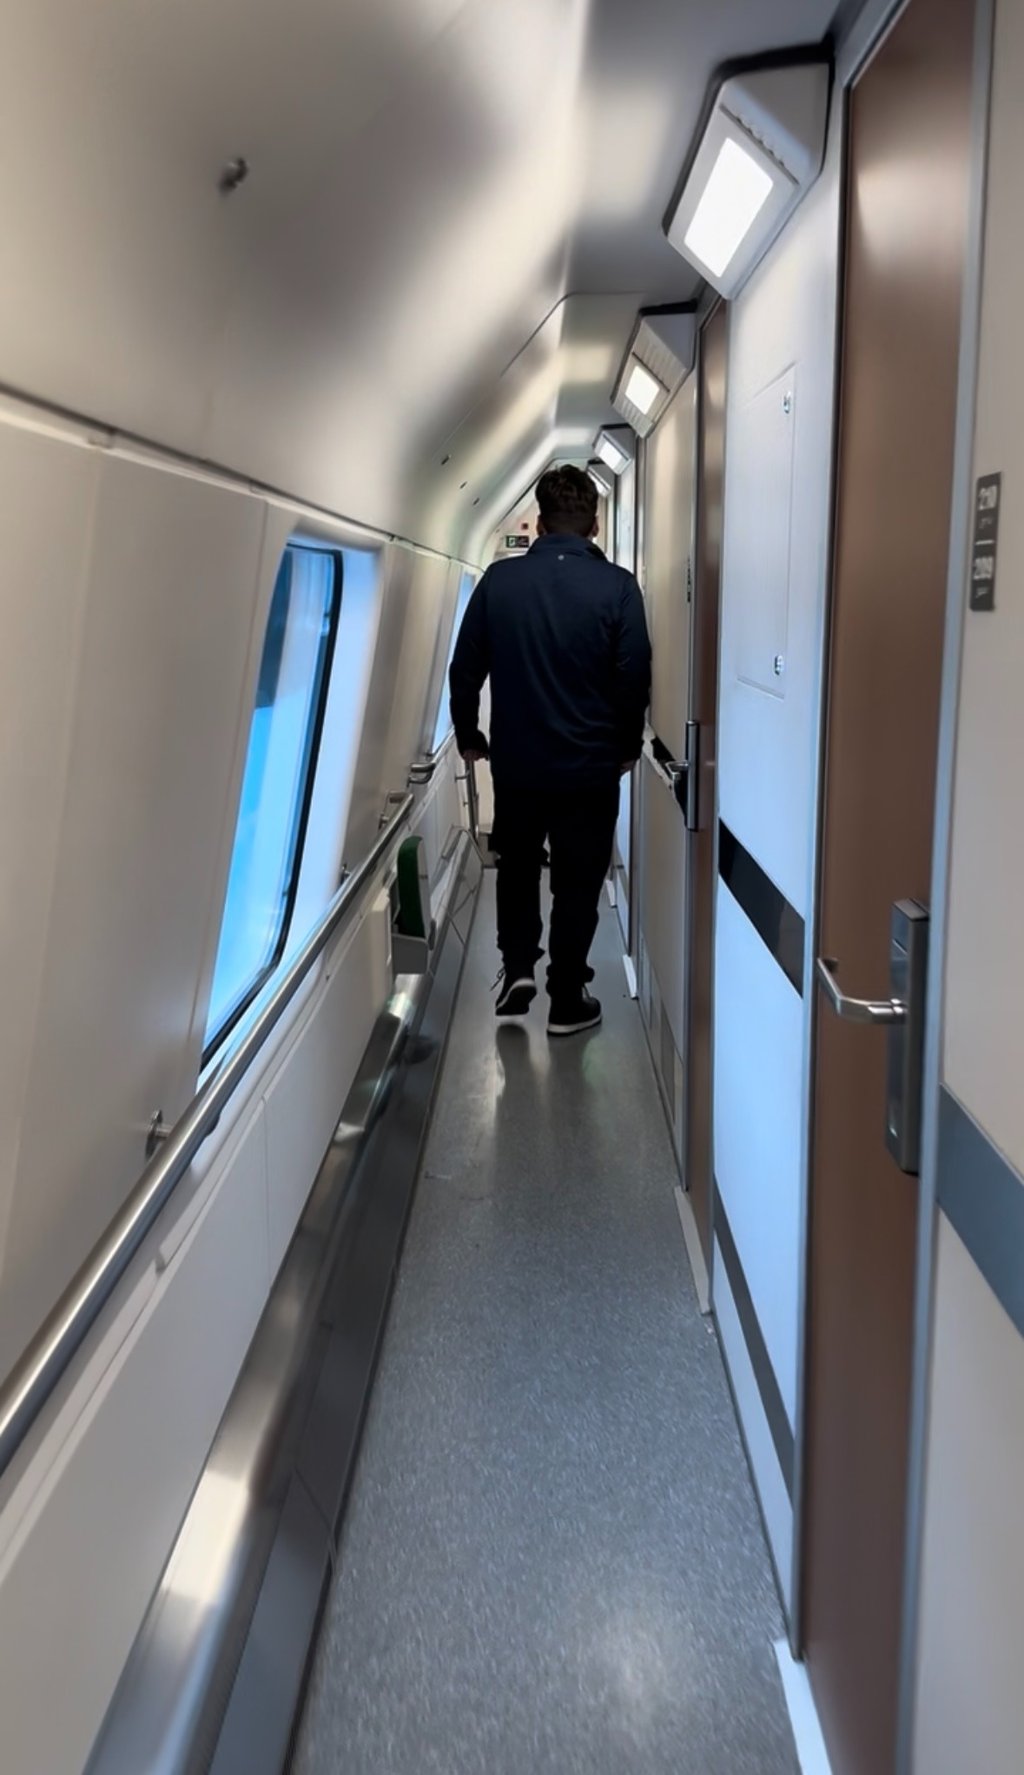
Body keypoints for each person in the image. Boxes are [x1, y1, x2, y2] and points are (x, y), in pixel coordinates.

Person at [449, 463, 651, 1036]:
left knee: (517, 867)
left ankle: (518, 968)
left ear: (538, 524)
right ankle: (567, 996)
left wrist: (468, 735)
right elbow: (634, 676)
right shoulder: (619, 587)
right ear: (594, 525)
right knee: (578, 882)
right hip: (590, 768)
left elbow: (464, 669)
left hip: (518, 766)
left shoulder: (498, 582)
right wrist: (626, 746)